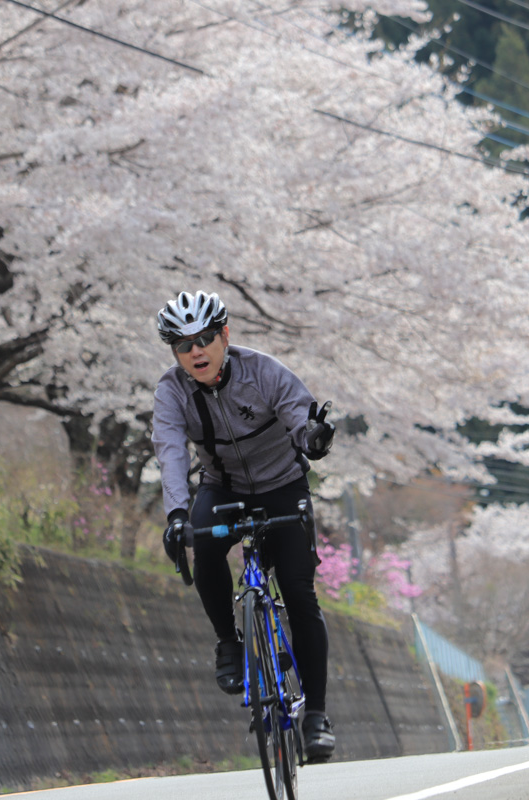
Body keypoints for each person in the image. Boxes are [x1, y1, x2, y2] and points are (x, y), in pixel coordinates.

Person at [151, 290, 338, 762]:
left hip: (282, 485)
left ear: (225, 336)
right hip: (223, 488)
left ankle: (315, 714)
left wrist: (313, 439)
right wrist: (176, 514)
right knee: (201, 542)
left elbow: (300, 417)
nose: (196, 351)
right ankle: (229, 644)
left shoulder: (264, 372)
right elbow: (170, 451)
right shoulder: (172, 391)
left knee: (299, 593)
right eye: (183, 344)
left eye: (206, 338)